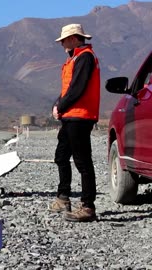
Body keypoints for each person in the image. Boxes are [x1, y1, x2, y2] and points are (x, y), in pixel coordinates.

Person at [49, 24, 100, 222]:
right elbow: (68, 89)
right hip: (71, 116)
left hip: (80, 116)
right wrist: (58, 104)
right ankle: (63, 198)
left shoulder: (85, 57)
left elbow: (77, 88)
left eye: (63, 40)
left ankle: (88, 206)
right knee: (61, 156)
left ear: (74, 38)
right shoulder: (75, 58)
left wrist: (60, 105)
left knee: (82, 161)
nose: (61, 43)